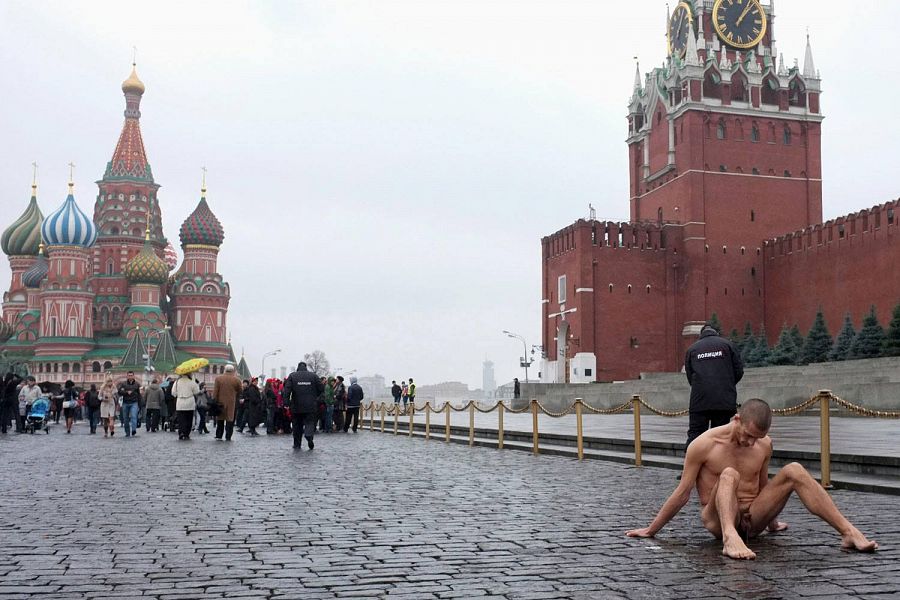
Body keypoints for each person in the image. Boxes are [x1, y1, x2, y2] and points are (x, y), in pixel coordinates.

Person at [625, 399, 878, 560]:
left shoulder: (763, 444)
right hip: (718, 519)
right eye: (747, 435)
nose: (750, 442)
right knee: (729, 473)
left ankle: (849, 532)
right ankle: (730, 539)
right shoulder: (703, 445)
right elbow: (683, 493)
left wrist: (772, 523)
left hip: (753, 518)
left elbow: (763, 487)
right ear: (737, 419)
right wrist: (651, 530)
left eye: (757, 438)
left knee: (794, 470)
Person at [684, 324, 744, 448]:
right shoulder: (728, 345)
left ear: (701, 334)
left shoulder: (692, 349)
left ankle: (692, 458)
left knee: (696, 435)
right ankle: (718, 459)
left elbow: (690, 376)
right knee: (721, 436)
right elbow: (739, 371)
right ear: (716, 332)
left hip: (700, 400)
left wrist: (700, 387)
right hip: (724, 400)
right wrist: (726, 384)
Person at [282, 362, 324, 450]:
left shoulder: (292, 376)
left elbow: (287, 390)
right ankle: (309, 435)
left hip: (296, 405)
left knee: (297, 425)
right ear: (306, 367)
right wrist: (316, 398)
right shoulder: (313, 376)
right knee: (310, 422)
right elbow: (321, 388)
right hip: (310, 405)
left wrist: (286, 403)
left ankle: (297, 444)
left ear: (298, 368)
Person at [212, 364, 242, 441]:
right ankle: (228, 436)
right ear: (233, 371)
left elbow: (215, 391)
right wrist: (235, 395)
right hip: (231, 403)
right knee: (230, 420)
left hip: (220, 402)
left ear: (225, 370)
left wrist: (214, 400)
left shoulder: (218, 379)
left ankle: (219, 435)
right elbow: (240, 390)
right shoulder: (236, 380)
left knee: (220, 419)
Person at [172, 371, 200, 440]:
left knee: (181, 419)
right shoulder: (191, 382)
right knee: (189, 419)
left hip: (180, 402)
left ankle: (181, 432)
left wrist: (178, 394)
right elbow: (197, 391)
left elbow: (173, 393)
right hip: (190, 402)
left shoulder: (177, 382)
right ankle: (186, 433)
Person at [118, 371, 142, 438]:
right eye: (129, 375)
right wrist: (126, 392)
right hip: (125, 403)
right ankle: (127, 432)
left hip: (134, 402)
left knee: (134, 416)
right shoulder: (123, 384)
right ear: (127, 376)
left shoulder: (137, 384)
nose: (130, 376)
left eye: (131, 375)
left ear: (133, 376)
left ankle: (133, 430)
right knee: (125, 418)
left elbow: (139, 395)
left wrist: (140, 404)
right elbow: (119, 392)